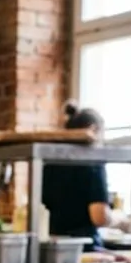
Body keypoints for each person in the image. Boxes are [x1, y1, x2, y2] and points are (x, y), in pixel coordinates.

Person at [41, 101, 111, 249]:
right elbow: (99, 217)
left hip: (52, 245)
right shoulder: (92, 163)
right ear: (93, 130)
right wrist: (115, 219)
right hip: (84, 247)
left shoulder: (50, 162)